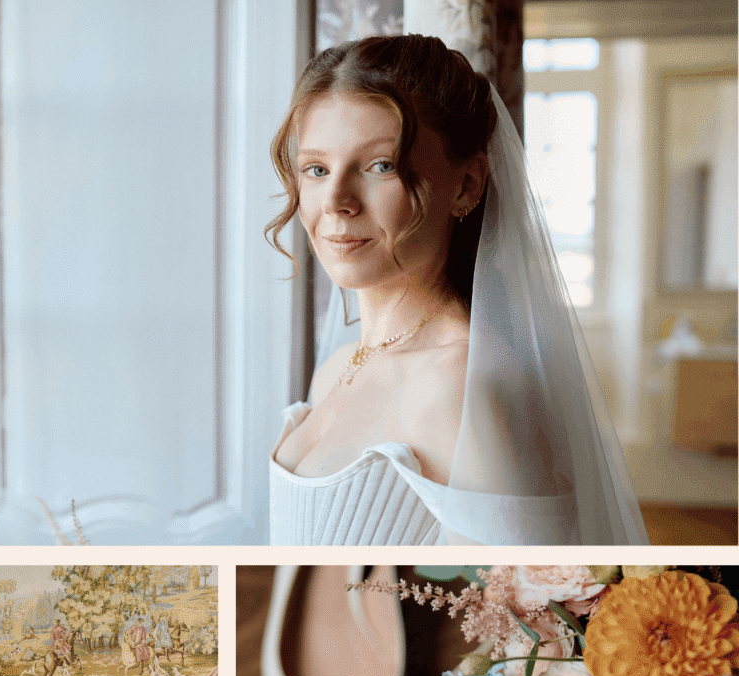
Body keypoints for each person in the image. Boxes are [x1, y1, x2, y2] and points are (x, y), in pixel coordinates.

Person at [265, 34, 647, 545]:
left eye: (381, 166)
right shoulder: (339, 366)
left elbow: (524, 616)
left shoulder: (465, 388)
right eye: (317, 169)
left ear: (466, 184)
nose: (336, 201)